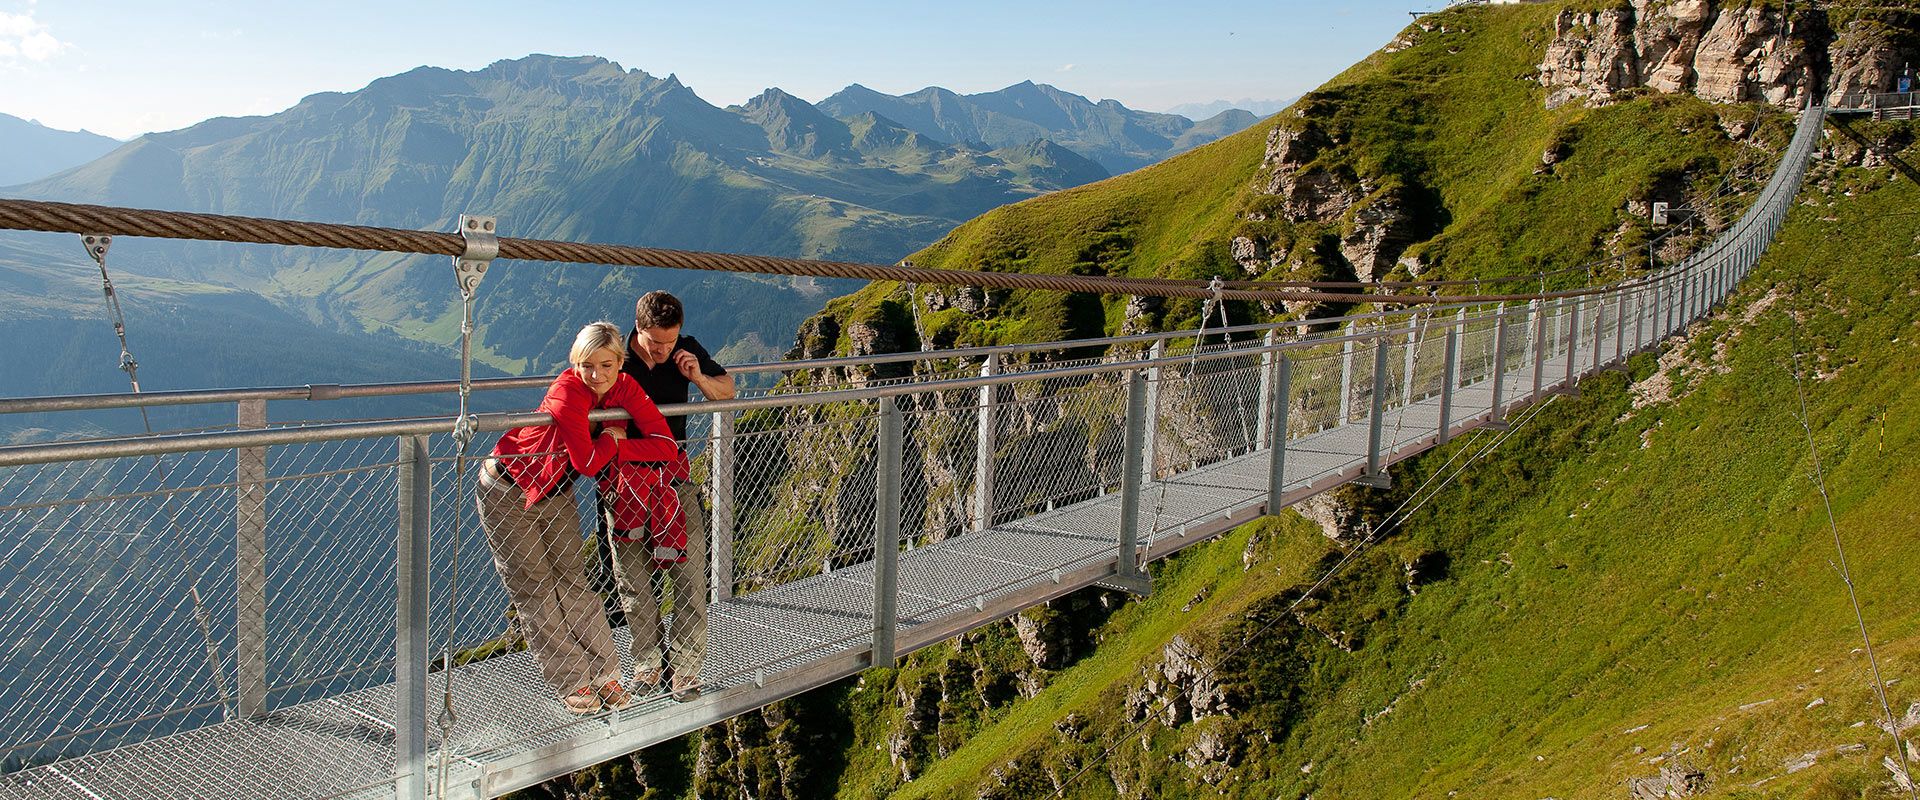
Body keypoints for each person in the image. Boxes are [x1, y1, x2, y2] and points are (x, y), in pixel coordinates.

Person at [476, 321, 687, 715]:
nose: (597, 376)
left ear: (619, 363)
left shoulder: (624, 387)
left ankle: (606, 673)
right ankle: (573, 679)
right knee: (536, 589)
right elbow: (588, 462)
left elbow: (667, 447)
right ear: (576, 362)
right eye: (588, 365)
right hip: (508, 488)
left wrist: (620, 446)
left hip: (556, 490)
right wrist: (614, 437)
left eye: (607, 365)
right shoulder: (567, 392)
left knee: (573, 582)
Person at [597, 290, 734, 700]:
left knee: (690, 576)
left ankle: (687, 670)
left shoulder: (686, 350)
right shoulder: (615, 357)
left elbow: (726, 391)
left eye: (668, 342)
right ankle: (648, 664)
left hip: (673, 480)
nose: (660, 350)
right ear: (636, 328)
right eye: (653, 342)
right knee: (635, 581)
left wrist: (697, 376)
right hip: (623, 482)